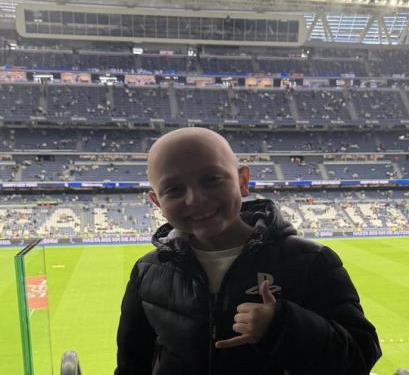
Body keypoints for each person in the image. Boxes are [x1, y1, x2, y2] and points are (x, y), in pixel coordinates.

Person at [115, 127, 381, 375]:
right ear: (157, 202)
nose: (195, 199)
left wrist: (281, 326)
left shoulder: (311, 261)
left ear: (242, 180)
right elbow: (132, 365)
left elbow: (360, 355)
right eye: (173, 190)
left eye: (211, 180)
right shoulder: (147, 272)